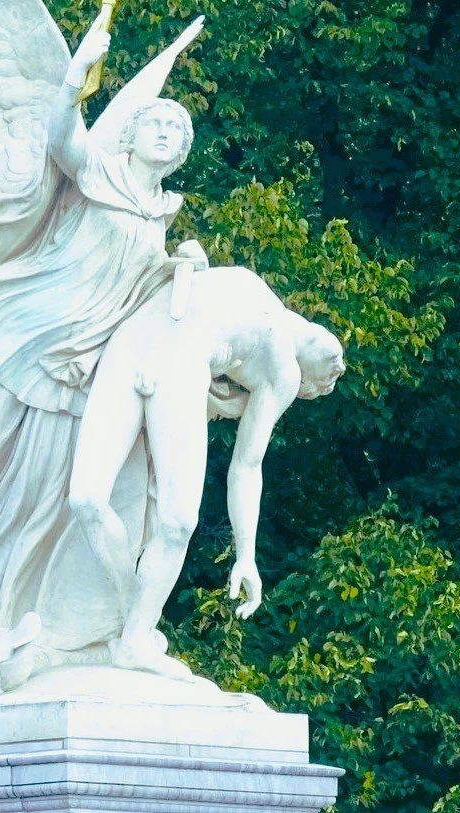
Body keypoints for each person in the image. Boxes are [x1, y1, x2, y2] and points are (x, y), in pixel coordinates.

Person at [0, 17, 203, 631]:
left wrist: (184, 265)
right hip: (19, 323)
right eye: (155, 123)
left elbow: (150, 293)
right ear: (130, 138)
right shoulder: (98, 173)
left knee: (40, 485)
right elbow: (65, 140)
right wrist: (73, 81)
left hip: (75, 362)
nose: (165, 132)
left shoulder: (162, 214)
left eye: (176, 128)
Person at [67, 266, 345, 678]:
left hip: (167, 357)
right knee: (86, 501)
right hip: (134, 343)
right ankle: (133, 618)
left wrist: (246, 555)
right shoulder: (260, 295)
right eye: (327, 377)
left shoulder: (280, 363)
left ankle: (135, 635)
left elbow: (247, 468)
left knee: (176, 523)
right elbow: (246, 467)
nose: (334, 363)